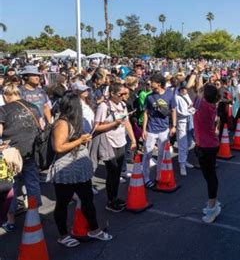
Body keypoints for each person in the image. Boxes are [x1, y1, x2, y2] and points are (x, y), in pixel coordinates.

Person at [47, 92, 113, 247]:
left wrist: (82, 140)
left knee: (87, 199)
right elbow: (58, 147)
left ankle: (94, 229)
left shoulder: (73, 121)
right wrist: (80, 140)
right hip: (66, 169)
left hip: (78, 167)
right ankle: (63, 235)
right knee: (63, 203)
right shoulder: (62, 123)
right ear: (74, 106)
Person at [0, 83, 42, 232]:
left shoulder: (3, 110)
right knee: (32, 184)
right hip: (31, 151)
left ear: (6, 95)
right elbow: (41, 127)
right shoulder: (33, 107)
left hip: (11, 154)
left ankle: (11, 221)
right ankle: (34, 215)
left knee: (11, 187)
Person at [93, 83, 137, 212]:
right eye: (121, 94)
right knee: (112, 172)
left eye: (125, 94)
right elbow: (96, 127)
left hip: (121, 141)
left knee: (117, 173)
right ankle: (110, 201)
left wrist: (133, 139)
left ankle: (115, 198)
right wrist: (113, 124)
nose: (124, 97)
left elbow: (127, 122)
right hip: (108, 143)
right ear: (112, 93)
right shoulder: (103, 106)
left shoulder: (122, 105)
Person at [142, 74, 177, 188]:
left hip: (164, 130)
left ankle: (158, 177)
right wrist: (144, 130)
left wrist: (174, 126)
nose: (150, 84)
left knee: (162, 155)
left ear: (158, 83)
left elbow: (173, 111)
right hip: (151, 130)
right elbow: (146, 113)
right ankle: (146, 178)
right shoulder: (149, 97)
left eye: (151, 82)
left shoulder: (169, 95)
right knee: (147, 154)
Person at [193, 81, 221, 223]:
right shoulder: (208, 105)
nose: (200, 92)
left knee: (210, 177)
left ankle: (213, 208)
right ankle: (213, 203)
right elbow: (198, 90)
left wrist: (196, 73)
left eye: (203, 91)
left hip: (207, 147)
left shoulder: (202, 106)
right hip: (208, 145)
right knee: (210, 176)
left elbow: (191, 88)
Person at [175, 81, 195, 176]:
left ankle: (184, 161)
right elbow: (181, 112)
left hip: (189, 121)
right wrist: (191, 110)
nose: (184, 90)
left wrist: (191, 109)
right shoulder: (177, 97)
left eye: (185, 88)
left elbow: (191, 106)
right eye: (182, 88)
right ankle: (181, 164)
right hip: (181, 122)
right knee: (182, 144)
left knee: (188, 143)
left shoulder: (187, 95)